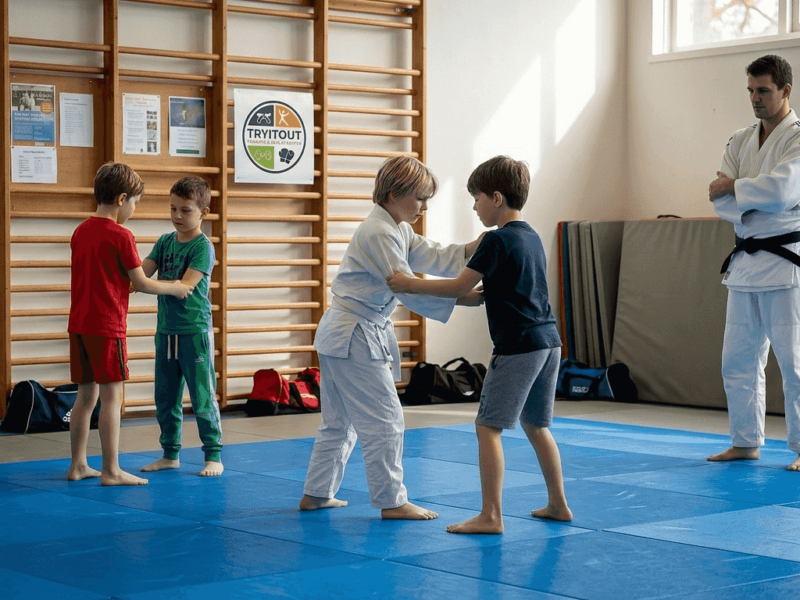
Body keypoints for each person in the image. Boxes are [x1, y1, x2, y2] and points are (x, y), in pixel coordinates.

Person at [387, 155, 572, 533]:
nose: (474, 205)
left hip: (518, 346)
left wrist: (409, 284)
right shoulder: (531, 236)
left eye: (477, 198)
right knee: (536, 425)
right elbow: (502, 291)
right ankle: (558, 504)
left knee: (487, 427)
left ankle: (491, 515)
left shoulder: (497, 240)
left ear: (497, 198)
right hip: (549, 342)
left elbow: (458, 286)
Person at [299, 156, 485, 520]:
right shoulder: (379, 232)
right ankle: (392, 501)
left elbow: (427, 254)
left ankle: (316, 493)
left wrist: (469, 249)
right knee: (386, 420)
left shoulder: (395, 227)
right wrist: (464, 298)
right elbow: (406, 287)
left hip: (344, 333)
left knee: (340, 422)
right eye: (420, 198)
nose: (424, 207)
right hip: (354, 335)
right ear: (394, 193)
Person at [67, 163, 193, 486]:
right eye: (134, 203)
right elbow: (142, 282)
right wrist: (175, 286)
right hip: (107, 327)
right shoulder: (122, 235)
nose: (133, 209)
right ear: (122, 199)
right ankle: (111, 469)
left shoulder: (80, 231)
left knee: (85, 397)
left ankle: (78, 464)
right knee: (112, 398)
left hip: (79, 325)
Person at [708, 54, 800, 471]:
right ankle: (745, 441)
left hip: (785, 266)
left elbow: (783, 192)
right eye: (750, 90)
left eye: (763, 90)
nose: (755, 98)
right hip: (745, 265)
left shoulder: (797, 138)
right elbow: (718, 198)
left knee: (795, 364)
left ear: (785, 90)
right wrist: (749, 201)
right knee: (738, 361)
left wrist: (738, 191)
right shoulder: (739, 139)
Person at [139, 176, 223, 477]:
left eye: (185, 210)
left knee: (202, 396)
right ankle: (169, 453)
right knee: (164, 397)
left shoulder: (203, 247)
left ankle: (213, 454)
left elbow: (186, 286)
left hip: (194, 332)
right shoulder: (164, 242)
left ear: (203, 212)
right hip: (166, 331)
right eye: (173, 208)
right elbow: (140, 274)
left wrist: (146, 284)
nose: (177, 216)